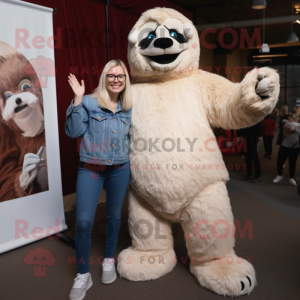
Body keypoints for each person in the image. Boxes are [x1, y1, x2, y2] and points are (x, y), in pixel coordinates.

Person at [65, 59, 132, 300]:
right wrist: (77, 100)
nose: (116, 80)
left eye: (121, 76)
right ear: (105, 78)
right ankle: (83, 274)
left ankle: (109, 259)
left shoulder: (129, 106)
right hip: (90, 168)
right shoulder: (90, 102)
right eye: (112, 76)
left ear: (125, 81)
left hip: (120, 169)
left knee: (114, 216)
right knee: (83, 223)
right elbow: (73, 132)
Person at [273, 113, 300, 186]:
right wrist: (290, 124)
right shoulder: (287, 123)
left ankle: (291, 178)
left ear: (295, 118)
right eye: (289, 117)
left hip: (295, 147)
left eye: (291, 117)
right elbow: (283, 121)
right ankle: (279, 175)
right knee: (280, 161)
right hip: (284, 146)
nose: (289, 118)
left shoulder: (298, 126)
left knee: (292, 163)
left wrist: (294, 128)